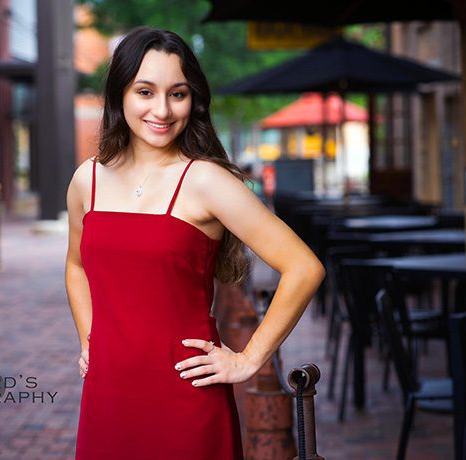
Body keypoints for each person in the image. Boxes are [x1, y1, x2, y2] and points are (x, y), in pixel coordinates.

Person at [65, 26, 325, 460]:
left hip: (185, 399)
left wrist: (247, 359)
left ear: (194, 100)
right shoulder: (86, 180)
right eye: (145, 92)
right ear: (120, 96)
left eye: (178, 94)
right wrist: (90, 340)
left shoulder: (205, 180)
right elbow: (75, 266)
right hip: (107, 397)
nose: (162, 110)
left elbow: (304, 267)